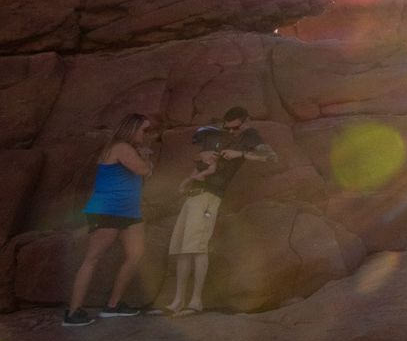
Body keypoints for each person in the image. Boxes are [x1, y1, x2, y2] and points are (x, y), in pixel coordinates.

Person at [161, 105, 275, 316]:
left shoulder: (250, 134)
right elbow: (199, 158)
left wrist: (239, 153)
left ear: (246, 121)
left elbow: (269, 156)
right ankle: (178, 300)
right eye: (228, 128)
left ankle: (195, 302)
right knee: (182, 249)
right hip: (193, 194)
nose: (231, 132)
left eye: (235, 128)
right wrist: (197, 163)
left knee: (197, 246)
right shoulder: (216, 133)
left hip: (210, 196)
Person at [65, 113, 155, 325]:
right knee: (92, 259)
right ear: (132, 129)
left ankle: (113, 306)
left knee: (135, 255)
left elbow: (143, 174)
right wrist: (146, 158)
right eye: (144, 129)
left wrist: (144, 157)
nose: (147, 134)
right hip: (108, 210)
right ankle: (72, 313)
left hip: (129, 211)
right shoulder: (121, 147)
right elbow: (143, 170)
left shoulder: (130, 149)